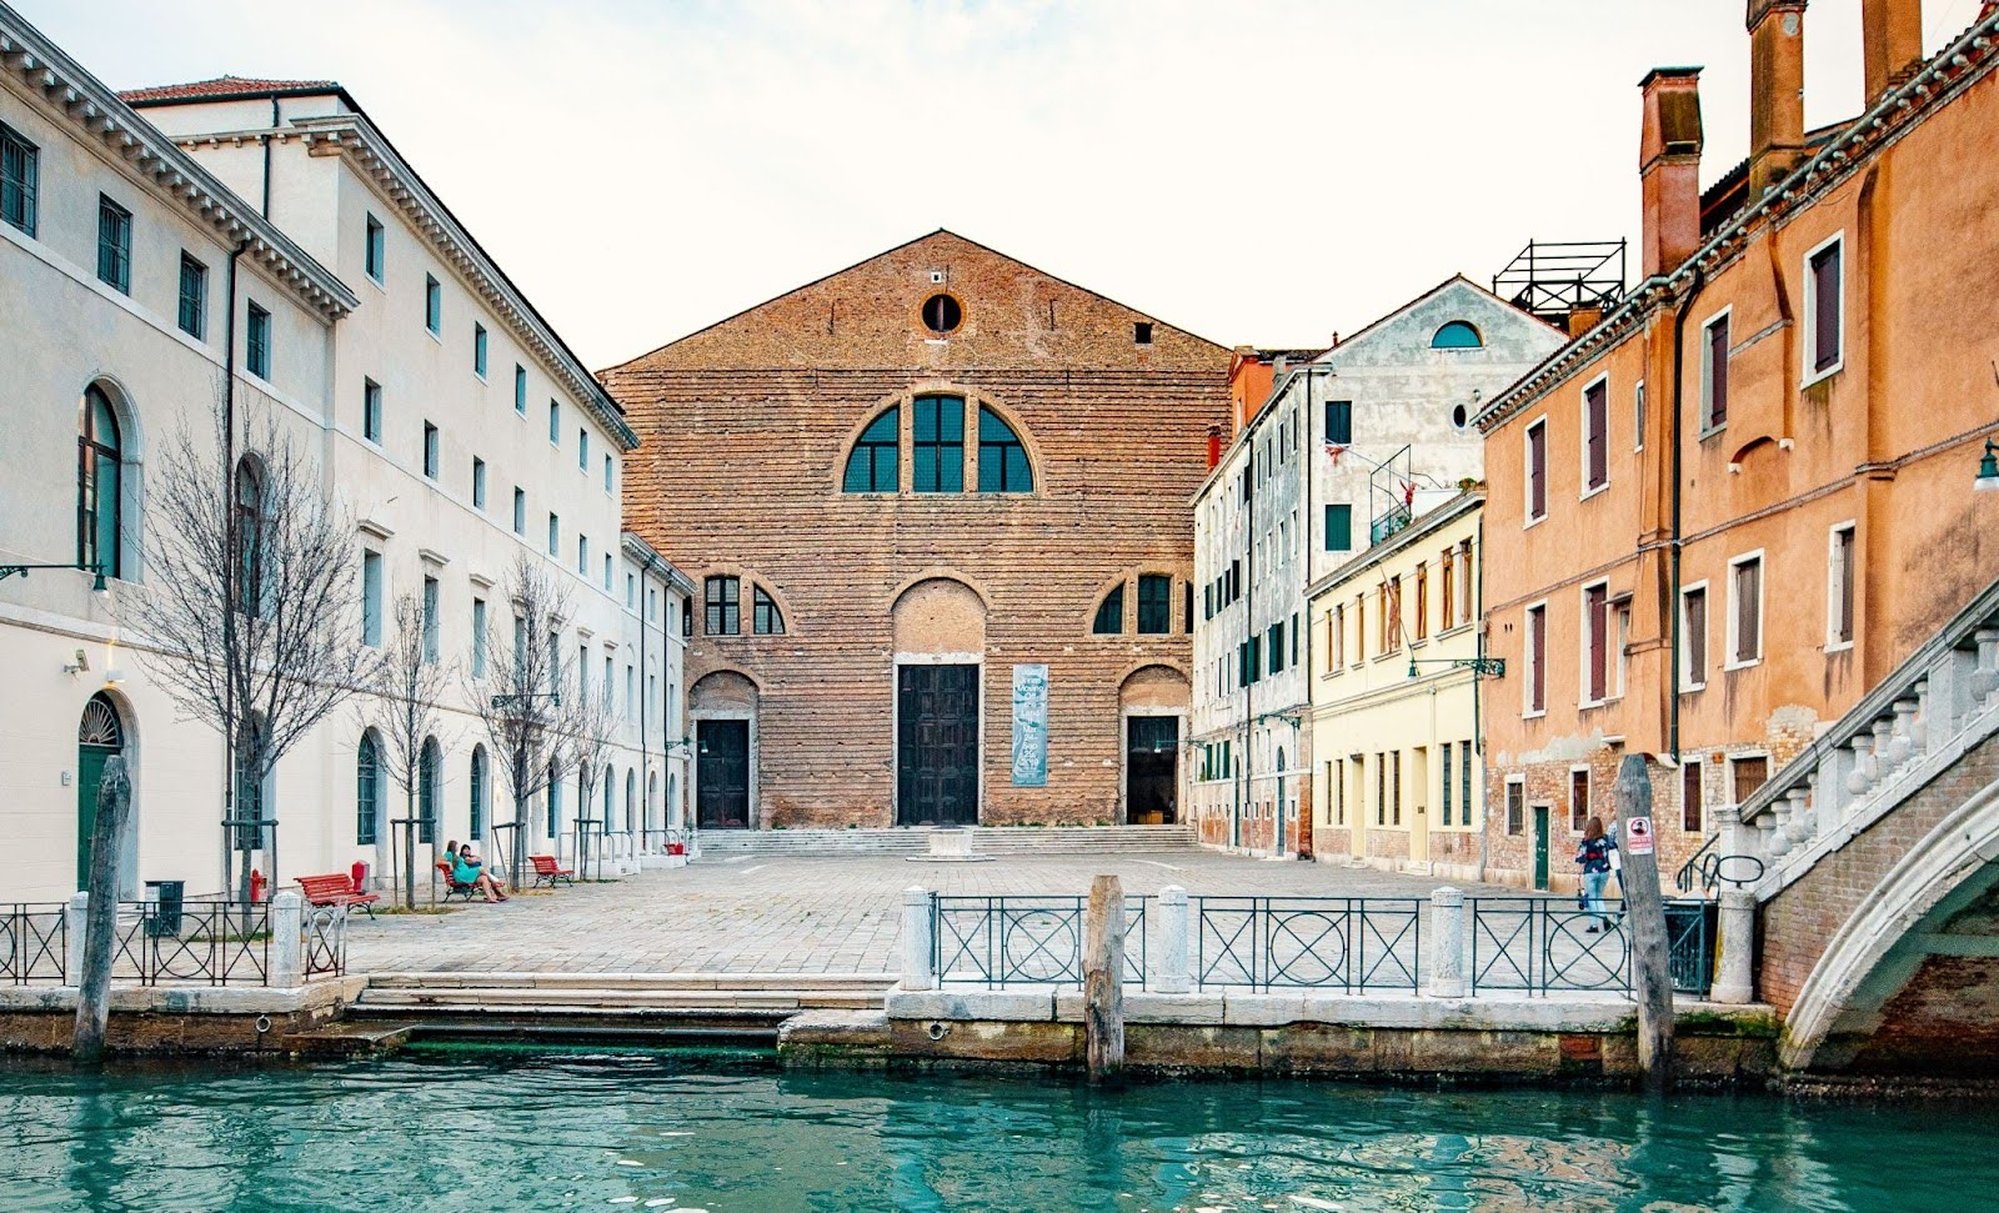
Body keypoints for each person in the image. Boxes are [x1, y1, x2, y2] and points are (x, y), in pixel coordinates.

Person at [1574, 816, 1617, 931]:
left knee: (1591, 898)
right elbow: (1613, 849)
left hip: (1590, 872)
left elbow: (1581, 858)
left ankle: (1594, 925)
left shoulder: (1586, 841)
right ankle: (1604, 917)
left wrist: (1579, 871)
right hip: (1604, 871)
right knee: (1599, 896)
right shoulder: (1606, 839)